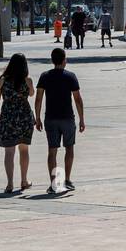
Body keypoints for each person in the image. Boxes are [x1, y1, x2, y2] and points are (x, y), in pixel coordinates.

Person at [34, 47, 84, 194]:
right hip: (67, 118)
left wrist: (37, 118)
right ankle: (67, 180)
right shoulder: (71, 76)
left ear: (52, 60)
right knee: (69, 148)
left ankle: (54, 183)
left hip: (50, 118)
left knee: (52, 151)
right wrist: (82, 119)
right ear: (64, 61)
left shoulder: (44, 76)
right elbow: (78, 99)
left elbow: (38, 99)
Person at [0, 53, 35, 194]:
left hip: (8, 116)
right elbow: (31, 94)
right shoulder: (27, 80)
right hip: (24, 116)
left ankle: (9, 183)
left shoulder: (3, 80)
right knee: (24, 149)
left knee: (9, 151)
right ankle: (24, 180)